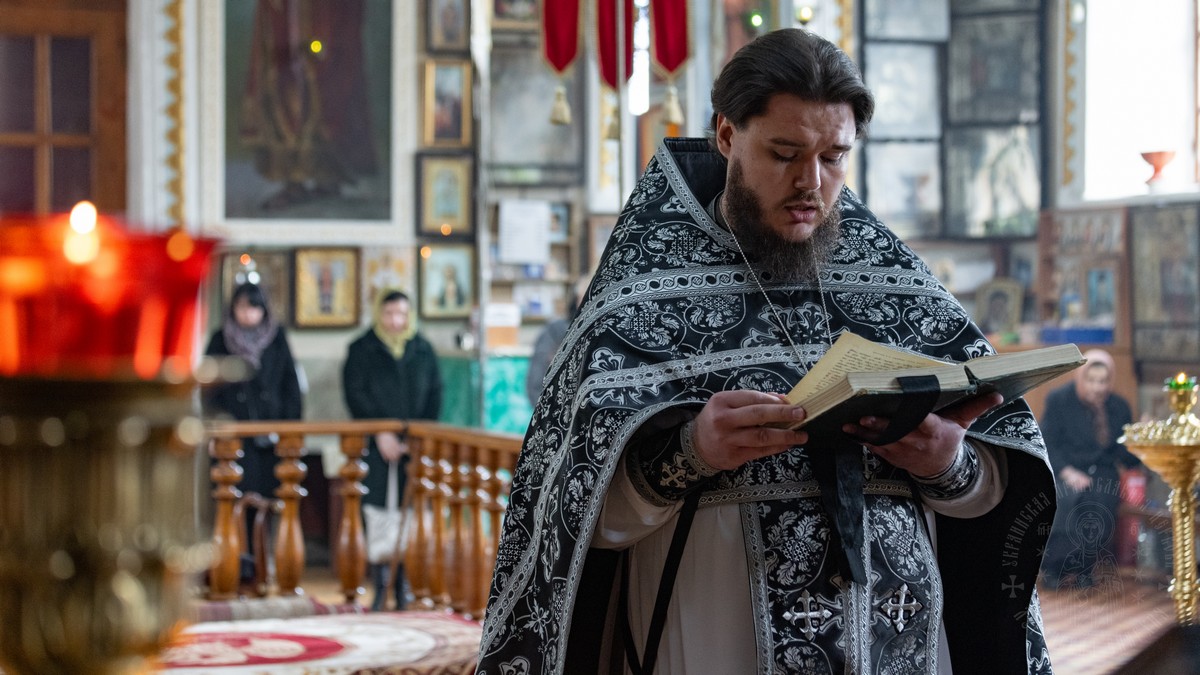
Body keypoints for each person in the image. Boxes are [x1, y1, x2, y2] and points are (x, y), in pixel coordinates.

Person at [477, 29, 1056, 674]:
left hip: (895, 635)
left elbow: (993, 489)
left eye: (834, 156)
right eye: (785, 153)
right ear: (727, 135)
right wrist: (690, 452)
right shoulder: (646, 286)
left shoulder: (895, 280)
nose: (811, 181)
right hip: (715, 630)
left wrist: (949, 464)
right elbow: (571, 513)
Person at [343, 289, 443, 610]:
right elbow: (355, 393)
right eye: (389, 314)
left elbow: (435, 393)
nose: (396, 320)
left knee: (410, 513)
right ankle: (381, 583)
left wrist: (417, 434)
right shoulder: (361, 349)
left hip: (413, 447)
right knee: (377, 513)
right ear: (378, 314)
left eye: (401, 314)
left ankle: (404, 587)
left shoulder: (422, 349)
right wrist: (380, 431)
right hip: (375, 447)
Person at [203, 282, 304, 533]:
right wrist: (211, 429)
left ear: (263, 310)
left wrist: (290, 430)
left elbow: (290, 385)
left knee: (266, 501)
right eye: (242, 307)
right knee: (231, 499)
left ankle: (260, 552)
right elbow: (208, 390)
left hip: (269, 436)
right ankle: (235, 554)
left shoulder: (276, 338)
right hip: (232, 433)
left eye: (254, 307)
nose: (248, 314)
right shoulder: (220, 340)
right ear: (233, 309)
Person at [1039, 349, 1140, 591]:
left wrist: (1140, 439)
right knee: (1068, 501)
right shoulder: (1059, 400)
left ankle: (1084, 568)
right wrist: (1068, 472)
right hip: (1066, 468)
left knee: (1100, 504)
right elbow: (1047, 442)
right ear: (1081, 378)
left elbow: (1124, 454)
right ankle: (1054, 568)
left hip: (1102, 472)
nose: (1098, 387)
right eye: (1092, 380)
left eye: (1103, 381)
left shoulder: (1118, 406)